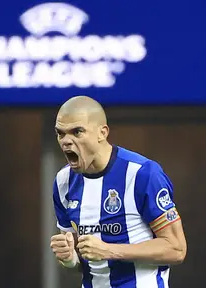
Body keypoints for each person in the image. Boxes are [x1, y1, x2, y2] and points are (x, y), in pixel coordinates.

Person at [50, 96, 187, 288]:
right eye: (60, 133)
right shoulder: (63, 182)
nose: (66, 141)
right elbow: (82, 262)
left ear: (102, 133)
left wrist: (109, 250)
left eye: (77, 132)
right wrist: (69, 258)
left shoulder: (142, 173)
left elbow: (176, 249)